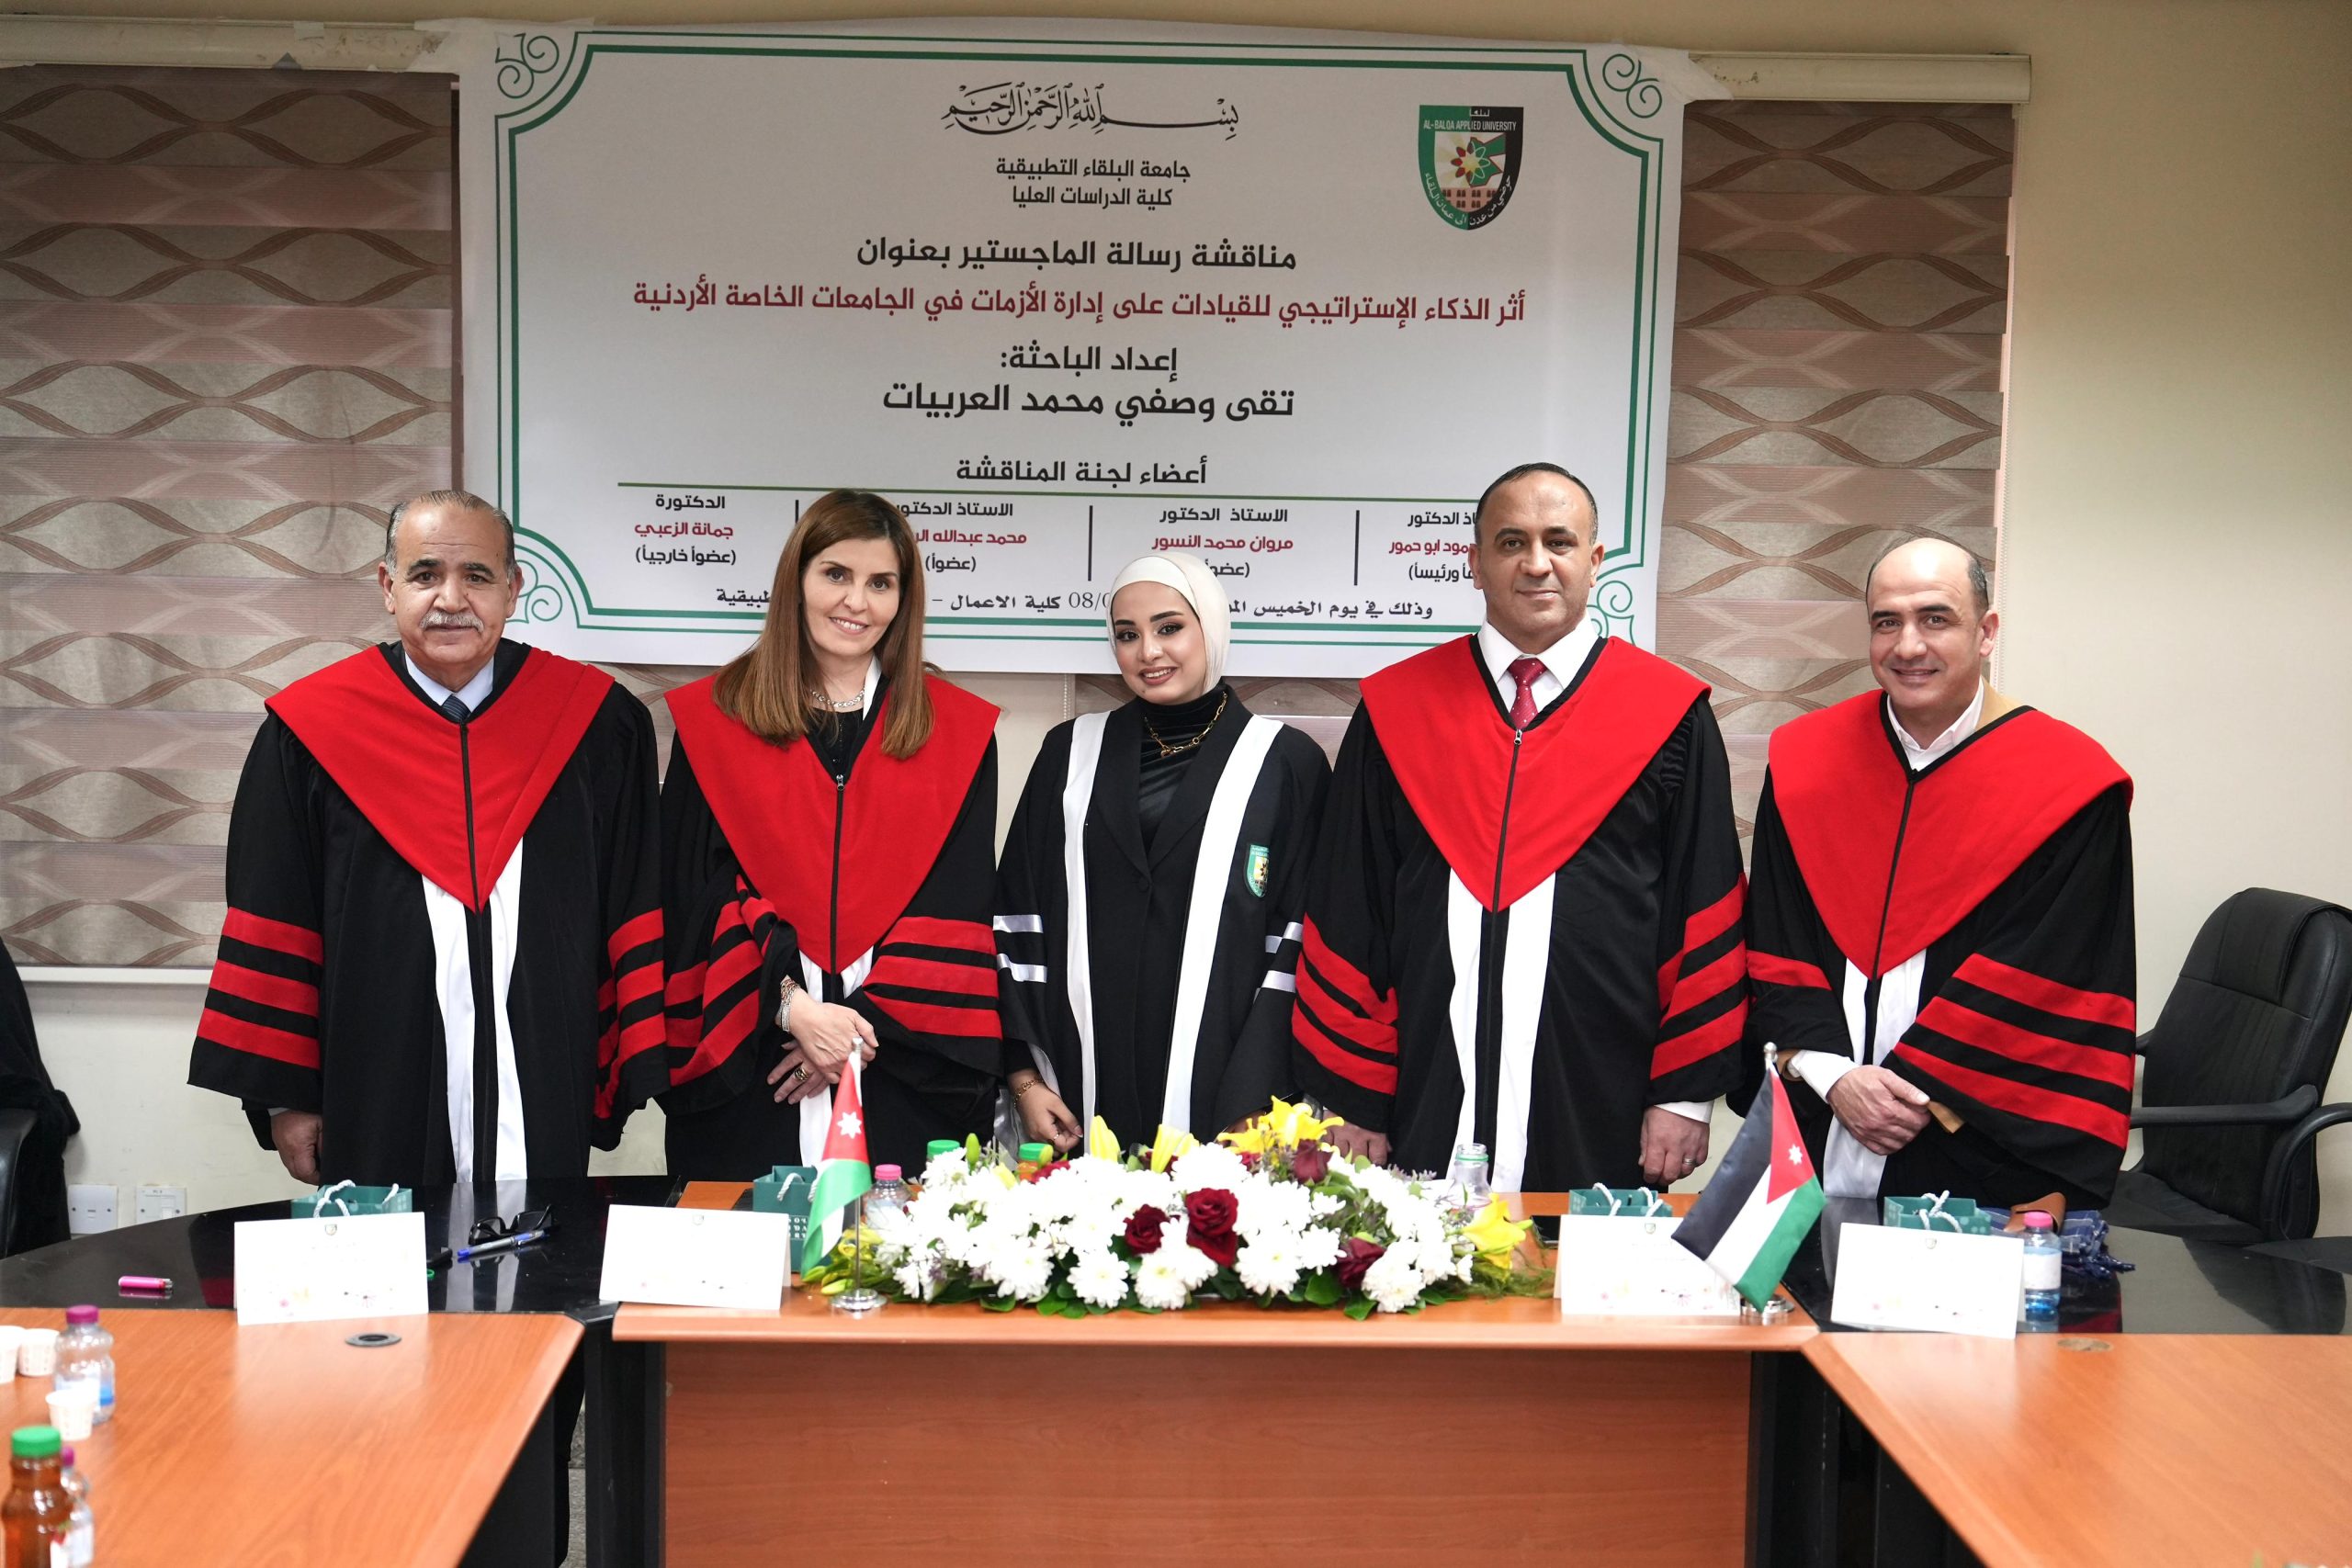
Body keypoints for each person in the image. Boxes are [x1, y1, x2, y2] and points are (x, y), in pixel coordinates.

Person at [187, 489, 666, 1186]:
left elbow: (632, 902)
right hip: (374, 1080)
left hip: (544, 1073)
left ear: (513, 589)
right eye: (424, 575)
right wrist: (289, 1098)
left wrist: (614, 1069)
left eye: (477, 576)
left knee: (541, 1243)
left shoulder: (597, 726)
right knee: (388, 1249)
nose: (451, 599)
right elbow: (275, 917)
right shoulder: (310, 734)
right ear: (388, 587)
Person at [1291, 463, 1747, 1191]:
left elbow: (1705, 910)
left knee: (1583, 1262)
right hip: (1419, 1094)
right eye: (1512, 542)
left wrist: (1683, 1093)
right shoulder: (1397, 711)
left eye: (1559, 541)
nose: (1537, 563)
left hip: (1604, 1096)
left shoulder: (1670, 717)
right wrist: (1354, 1089)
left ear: (1595, 561)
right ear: (1475, 564)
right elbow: (1351, 909)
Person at [1743, 536, 2134, 1209]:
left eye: (1936, 618)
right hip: (1812, 1126)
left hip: (1977, 1145)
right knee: (1798, 1279)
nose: (1908, 645)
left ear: (1987, 632)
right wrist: (1834, 1077)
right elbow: (1779, 935)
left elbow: (2055, 971)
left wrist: (1911, 1092)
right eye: (1886, 621)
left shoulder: (2070, 786)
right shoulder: (1806, 763)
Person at [660, 491, 1002, 1177]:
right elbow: (693, 893)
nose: (857, 602)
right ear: (797, 580)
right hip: (755, 1058)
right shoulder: (714, 721)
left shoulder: (956, 733)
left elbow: (958, 907)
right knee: (750, 1235)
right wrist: (795, 1011)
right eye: (836, 574)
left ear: (904, 600)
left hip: (899, 1061)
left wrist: (852, 1031)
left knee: (898, 1238)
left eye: (881, 583)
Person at [996, 553, 1330, 1152]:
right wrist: (1024, 1077)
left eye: (1169, 627)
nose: (1148, 651)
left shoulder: (1285, 763)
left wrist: (1256, 1097)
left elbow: (1300, 942)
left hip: (1229, 1100)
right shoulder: (1069, 754)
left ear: (1211, 627)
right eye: (1127, 635)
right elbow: (1018, 918)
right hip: (1077, 1088)